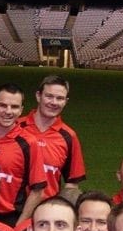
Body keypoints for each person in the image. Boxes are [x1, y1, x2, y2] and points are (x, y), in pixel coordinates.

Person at [0, 83, 47, 228]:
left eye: (14, 107)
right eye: (3, 105)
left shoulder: (29, 143)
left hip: (11, 219)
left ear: (21, 111)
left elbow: (38, 190)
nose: (8, 111)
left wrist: (19, 227)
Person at [19, 75, 85, 203]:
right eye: (49, 96)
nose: (54, 102)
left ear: (66, 101)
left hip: (47, 213)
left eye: (59, 98)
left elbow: (72, 185)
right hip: (12, 211)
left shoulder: (69, 136)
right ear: (38, 96)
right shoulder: (16, 127)